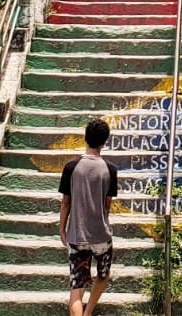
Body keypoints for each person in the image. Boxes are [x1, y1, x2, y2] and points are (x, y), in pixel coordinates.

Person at [59, 118, 118, 316]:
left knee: (76, 290)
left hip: (77, 235)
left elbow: (66, 202)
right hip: (101, 235)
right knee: (103, 275)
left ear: (85, 137)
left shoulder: (71, 167)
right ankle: (89, 311)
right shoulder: (110, 169)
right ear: (105, 141)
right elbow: (107, 205)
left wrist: (62, 229)